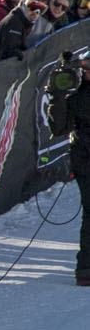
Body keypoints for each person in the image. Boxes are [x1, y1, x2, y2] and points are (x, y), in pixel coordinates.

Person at [51, 53, 90, 284]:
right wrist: (57, 97)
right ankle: (85, 269)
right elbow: (59, 128)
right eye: (85, 69)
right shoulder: (74, 92)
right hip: (84, 158)